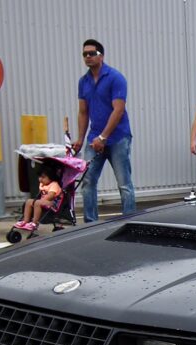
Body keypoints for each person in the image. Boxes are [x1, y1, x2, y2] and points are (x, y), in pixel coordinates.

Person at [71, 39, 135, 223]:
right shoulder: (83, 82)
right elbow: (83, 112)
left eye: (92, 53)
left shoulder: (115, 77)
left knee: (124, 184)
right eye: (85, 54)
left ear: (101, 55)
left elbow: (118, 109)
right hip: (94, 139)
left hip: (118, 138)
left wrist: (103, 136)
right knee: (88, 181)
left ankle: (129, 221)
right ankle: (90, 224)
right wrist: (80, 139)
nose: (88, 57)